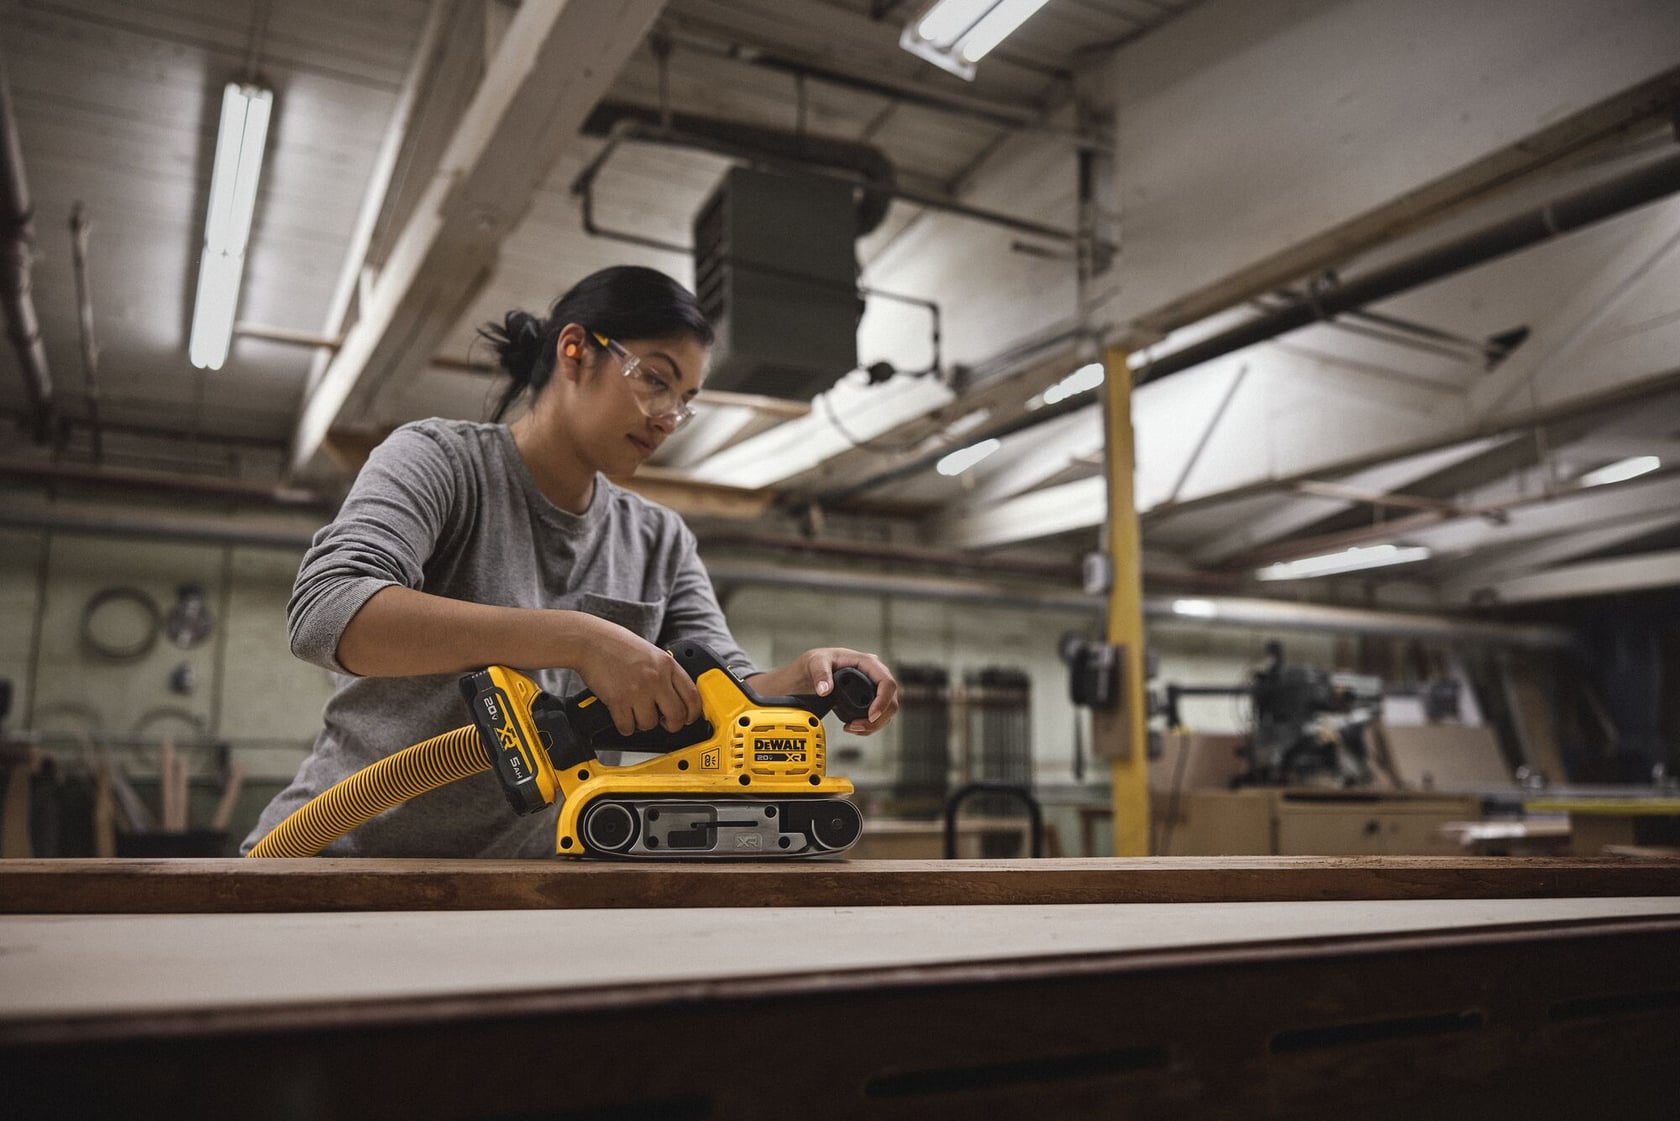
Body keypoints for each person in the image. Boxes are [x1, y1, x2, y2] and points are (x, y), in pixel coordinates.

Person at [242, 265, 899, 857]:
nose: (668, 416)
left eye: (684, 400)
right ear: (576, 351)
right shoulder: (438, 462)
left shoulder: (658, 539)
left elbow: (725, 693)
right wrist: (578, 639)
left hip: (528, 883)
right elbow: (328, 612)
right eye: (655, 380)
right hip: (340, 859)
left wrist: (806, 681)